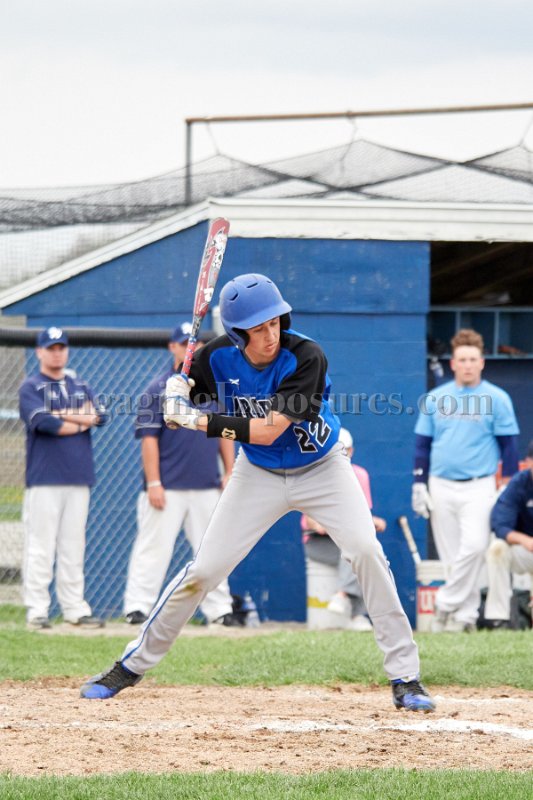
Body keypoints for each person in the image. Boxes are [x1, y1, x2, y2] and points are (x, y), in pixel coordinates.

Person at [81, 273, 434, 712]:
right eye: (258, 328)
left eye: (274, 322)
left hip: (322, 468)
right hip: (258, 474)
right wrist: (176, 391)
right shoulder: (215, 357)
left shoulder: (305, 356)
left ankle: (406, 677)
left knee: (367, 552)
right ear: (237, 333)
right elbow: (185, 389)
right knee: (204, 571)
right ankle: (130, 666)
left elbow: (268, 431)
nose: (270, 334)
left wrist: (194, 419)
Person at [123, 323, 236, 626]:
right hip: (167, 487)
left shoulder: (213, 388)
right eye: (184, 343)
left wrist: (229, 471)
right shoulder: (158, 388)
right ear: (172, 348)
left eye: (195, 343)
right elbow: (148, 438)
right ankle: (138, 607)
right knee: (153, 548)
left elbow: (225, 431)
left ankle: (220, 610)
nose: (191, 348)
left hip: (206, 484)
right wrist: (154, 482)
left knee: (212, 550)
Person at [411, 328, 520, 633]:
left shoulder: (498, 398)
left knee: (474, 547)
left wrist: (507, 484)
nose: (468, 365)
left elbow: (509, 446)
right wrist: (418, 483)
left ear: (482, 362)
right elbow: (421, 445)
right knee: (452, 556)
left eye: (473, 359)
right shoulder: (435, 399)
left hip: (480, 484)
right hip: (440, 484)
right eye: (462, 360)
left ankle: (445, 603)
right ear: (453, 364)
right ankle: (465, 617)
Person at [19, 326, 107, 629]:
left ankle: (74, 609)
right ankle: (37, 610)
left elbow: (100, 415)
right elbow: (44, 424)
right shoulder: (31, 386)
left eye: (61, 348)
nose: (57, 353)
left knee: (73, 546)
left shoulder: (79, 383)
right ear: (39, 352)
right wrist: (81, 418)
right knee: (40, 546)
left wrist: (62, 414)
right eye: (51, 348)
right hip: (45, 478)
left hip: (78, 477)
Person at [302, 427, 387, 632]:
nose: (341, 455)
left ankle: (345, 599)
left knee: (367, 553)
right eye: (335, 450)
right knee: (355, 551)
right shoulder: (313, 473)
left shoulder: (360, 475)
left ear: (351, 451)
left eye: (345, 450)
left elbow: (361, 515)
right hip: (319, 543)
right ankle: (355, 612)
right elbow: (310, 519)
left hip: (345, 540)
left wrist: (373, 521)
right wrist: (322, 525)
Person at [484, 440, 533, 627]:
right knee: (497, 549)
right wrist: (525, 540)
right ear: (528, 462)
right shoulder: (519, 484)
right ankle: (499, 618)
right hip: (525, 551)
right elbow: (500, 525)